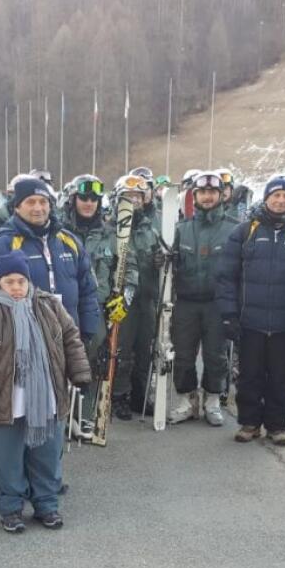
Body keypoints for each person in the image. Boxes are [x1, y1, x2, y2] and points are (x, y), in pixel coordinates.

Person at [0, 251, 91, 533]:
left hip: (46, 398)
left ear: (29, 282)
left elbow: (70, 339)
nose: (16, 287)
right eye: (9, 281)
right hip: (3, 400)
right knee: (7, 459)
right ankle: (11, 508)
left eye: (21, 281)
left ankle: (46, 505)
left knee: (47, 455)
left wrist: (80, 373)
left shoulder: (48, 305)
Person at [217, 175, 285, 445]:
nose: (281, 200)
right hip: (250, 321)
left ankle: (277, 426)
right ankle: (249, 423)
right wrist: (229, 314)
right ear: (266, 198)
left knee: (280, 377)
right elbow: (227, 276)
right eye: (276, 195)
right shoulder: (245, 230)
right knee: (249, 375)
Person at [0, 177, 101, 343]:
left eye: (43, 202)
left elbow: (88, 289)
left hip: (68, 337)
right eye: (30, 202)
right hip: (25, 341)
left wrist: (87, 330)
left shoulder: (69, 241)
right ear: (17, 207)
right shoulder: (3, 244)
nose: (38, 208)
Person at [60, 174, 139, 432]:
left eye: (94, 199)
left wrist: (123, 299)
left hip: (96, 309)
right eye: (83, 197)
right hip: (62, 309)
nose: (88, 203)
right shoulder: (58, 232)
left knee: (93, 362)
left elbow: (130, 269)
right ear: (73, 199)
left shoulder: (111, 234)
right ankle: (59, 414)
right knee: (59, 360)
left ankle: (84, 412)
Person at [167, 171, 240, 427]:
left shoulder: (234, 229)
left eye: (212, 192)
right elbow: (169, 263)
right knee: (184, 354)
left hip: (217, 304)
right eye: (202, 193)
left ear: (221, 195)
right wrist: (163, 260)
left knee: (215, 355)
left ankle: (211, 401)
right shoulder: (181, 229)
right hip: (186, 302)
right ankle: (187, 401)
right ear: (194, 196)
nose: (207, 197)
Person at [108, 173, 156, 419]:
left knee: (145, 350)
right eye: (128, 197)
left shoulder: (151, 228)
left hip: (147, 299)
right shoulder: (110, 228)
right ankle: (119, 396)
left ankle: (140, 395)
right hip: (122, 300)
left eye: (137, 196)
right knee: (122, 351)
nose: (133, 201)